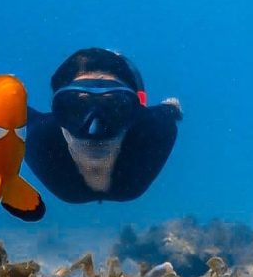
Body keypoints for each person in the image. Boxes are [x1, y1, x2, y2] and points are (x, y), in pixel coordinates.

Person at [25, 48, 182, 203]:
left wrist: (172, 107)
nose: (95, 130)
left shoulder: (155, 130)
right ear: (58, 112)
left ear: (134, 112)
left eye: (115, 108)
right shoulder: (39, 138)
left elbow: (168, 110)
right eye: (77, 109)